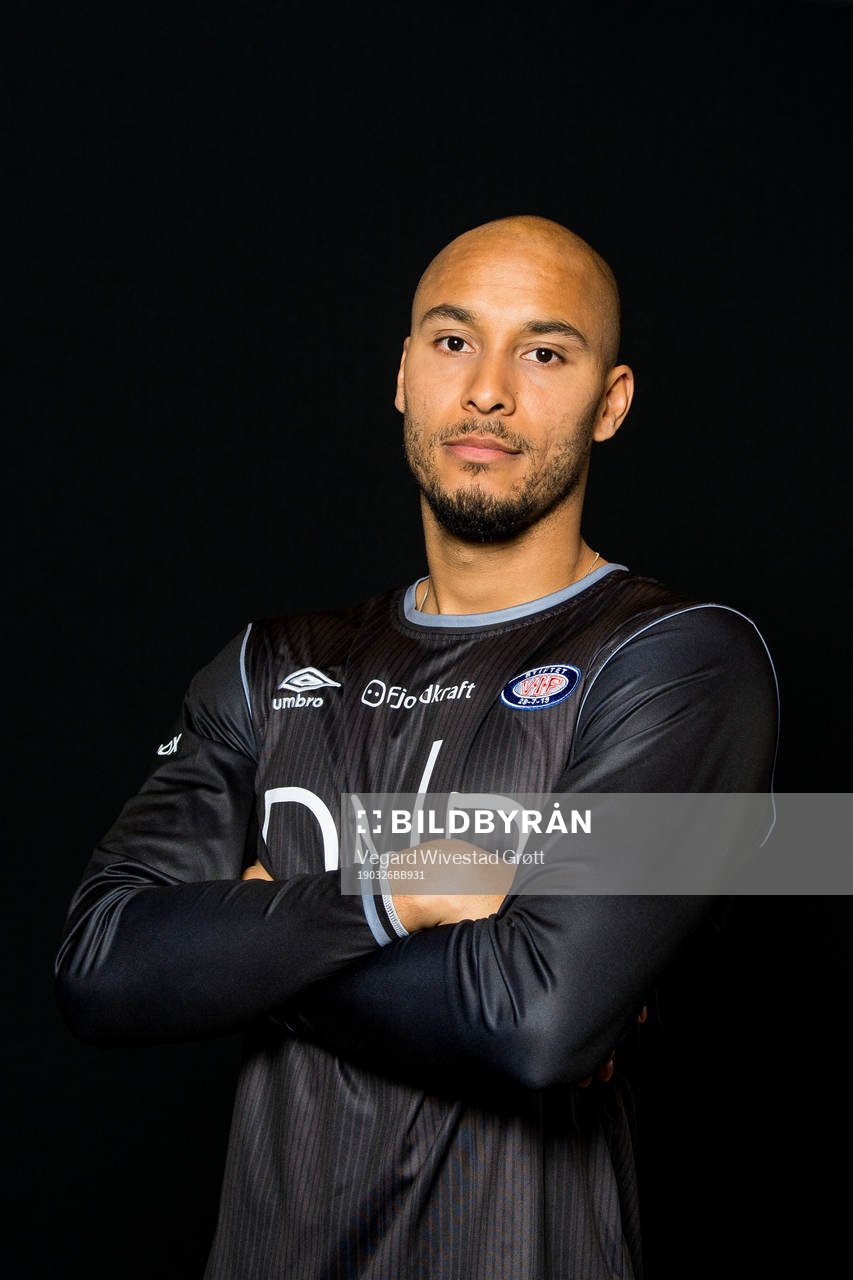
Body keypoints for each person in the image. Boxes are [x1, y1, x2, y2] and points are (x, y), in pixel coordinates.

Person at [55, 214, 779, 1279]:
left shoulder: (679, 659)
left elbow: (538, 1021)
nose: (487, 388)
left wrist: (250, 932)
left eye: (543, 351)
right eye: (451, 341)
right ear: (402, 374)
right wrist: (391, 891)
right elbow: (100, 964)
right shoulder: (271, 663)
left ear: (610, 401)